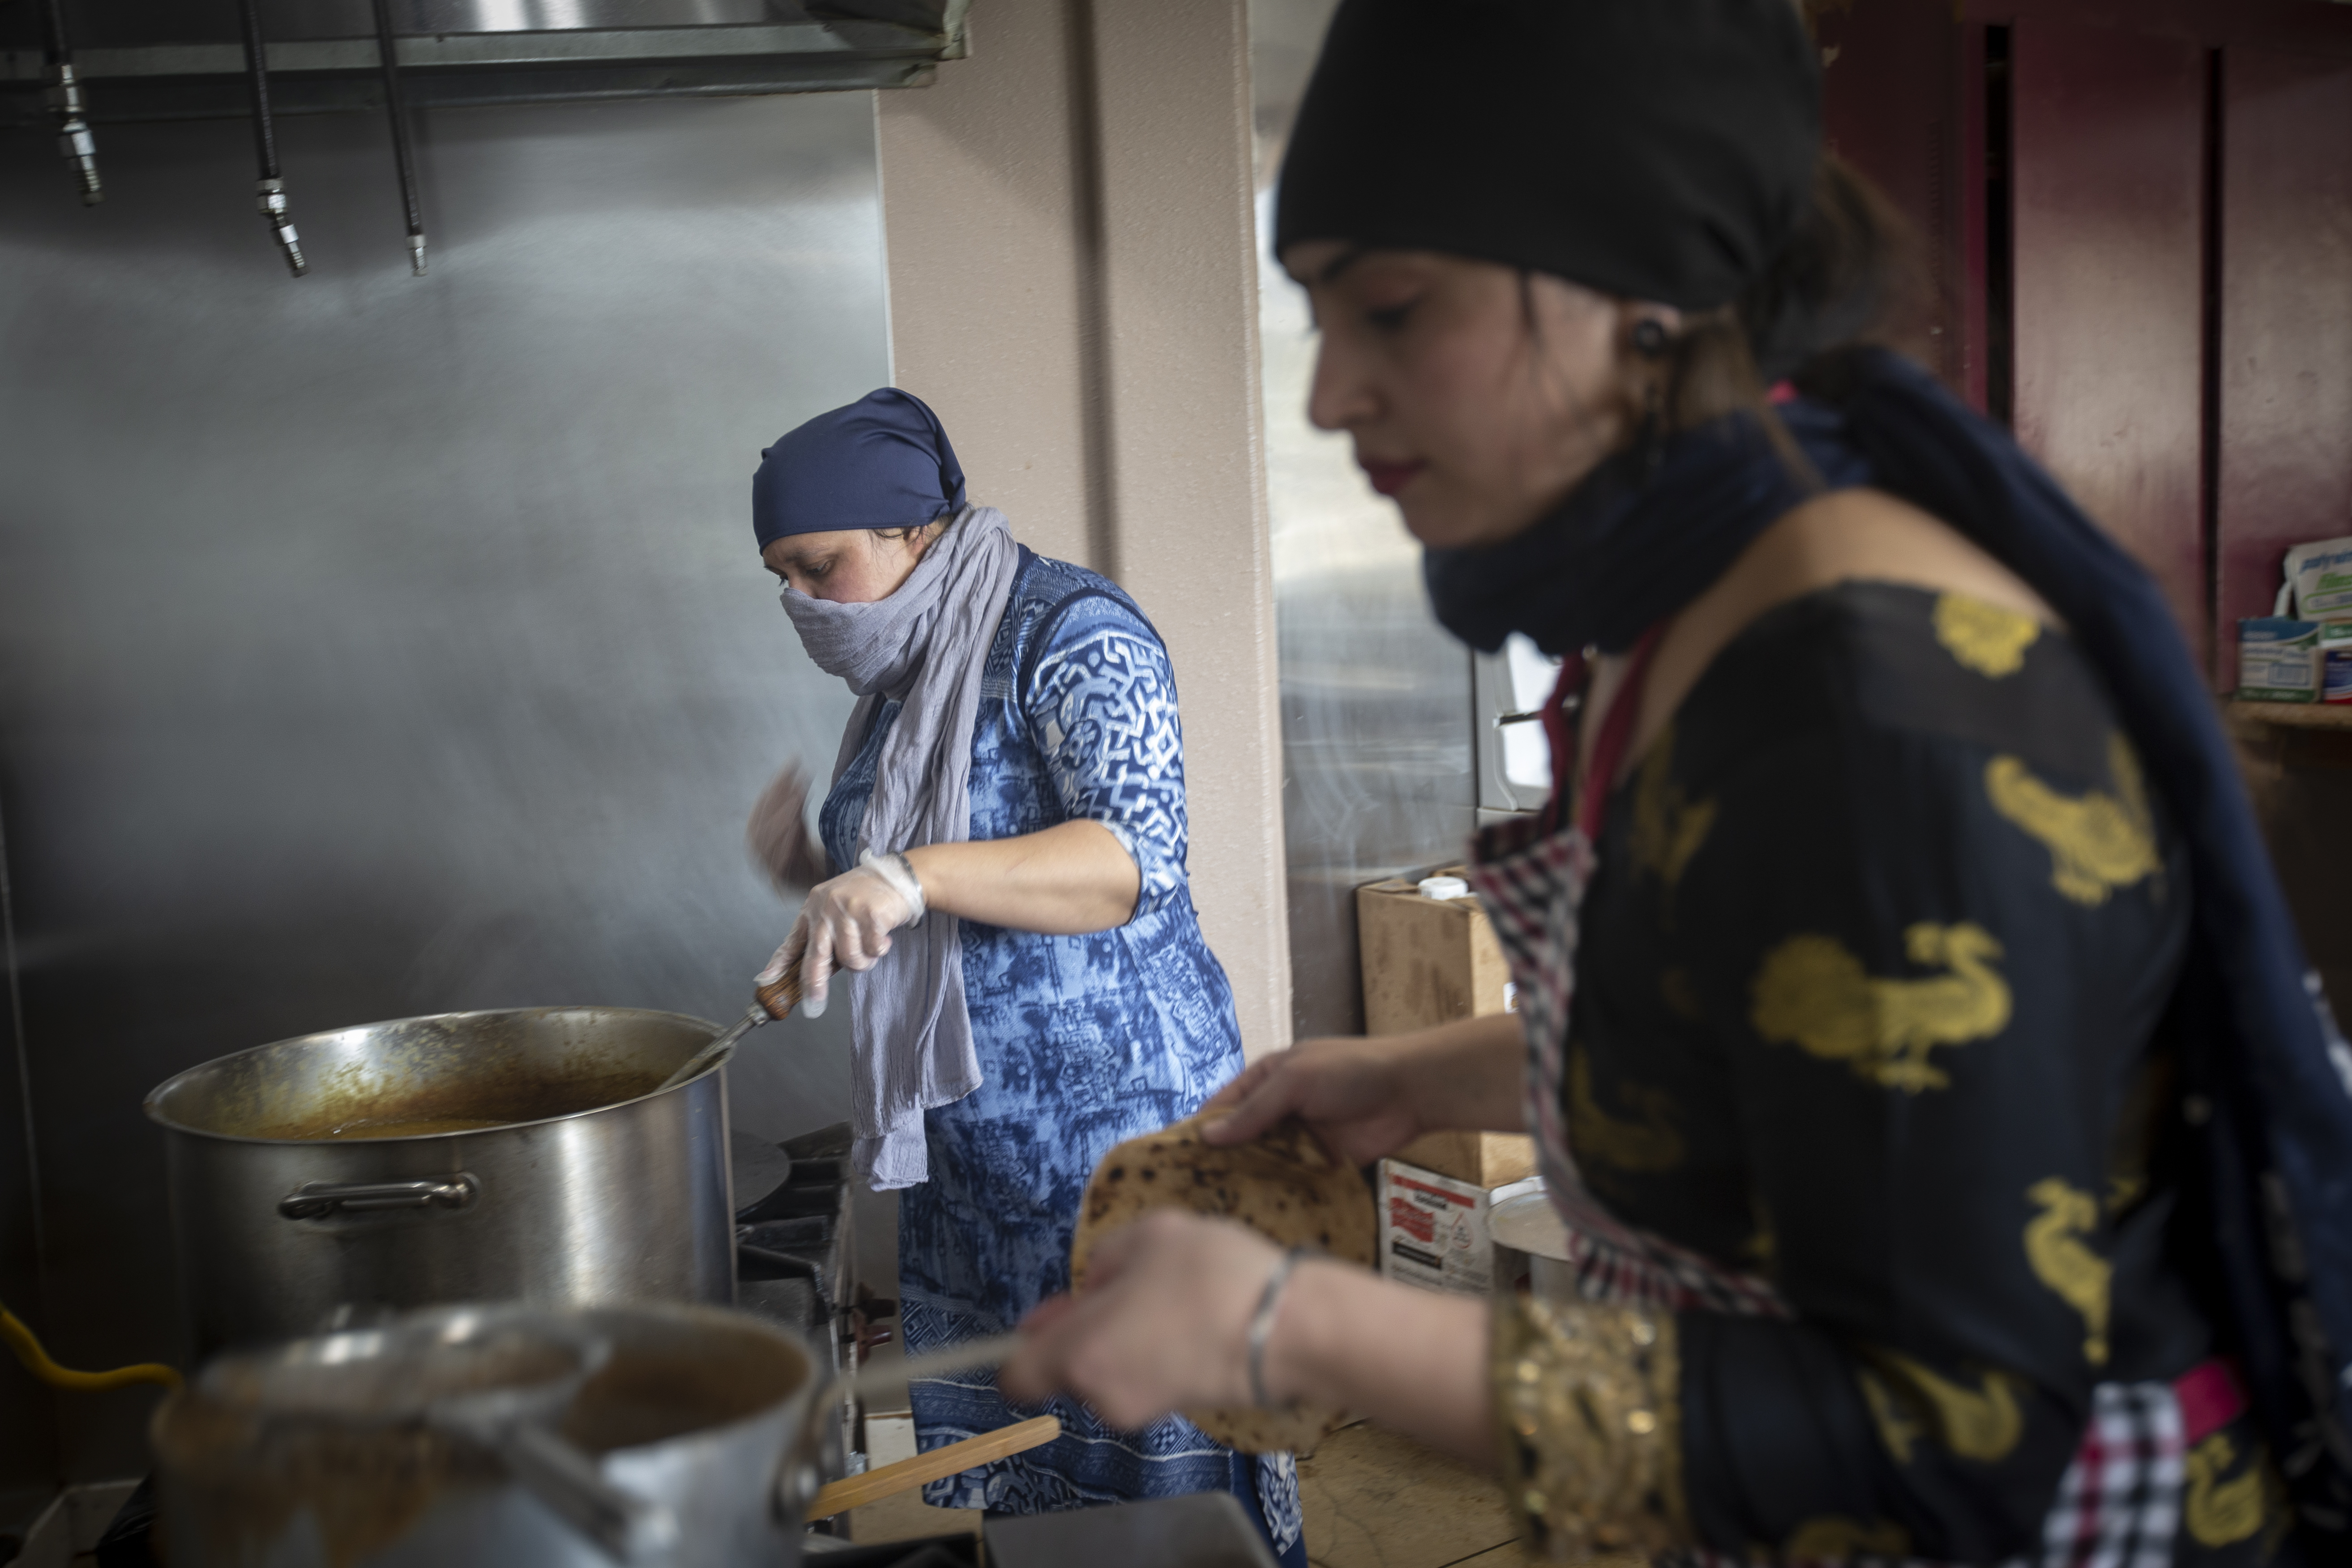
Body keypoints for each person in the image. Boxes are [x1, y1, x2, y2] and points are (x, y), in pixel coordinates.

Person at [1000, 3, 2352, 1564]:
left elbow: (1944, 1445)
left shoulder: (1869, 721)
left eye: (1392, 309)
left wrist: (1300, 1334)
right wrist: (1414, 1079)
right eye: (1324, 320)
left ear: (1635, 294)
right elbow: (1770, 1042)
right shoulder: (1687, 616)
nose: (1331, 397)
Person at [744, 389, 1304, 1562]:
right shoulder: (905, 684)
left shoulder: (1073, 633)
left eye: (819, 564)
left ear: (911, 530)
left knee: (1169, 1480)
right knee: (1036, 1483)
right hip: (982, 1177)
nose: (801, 601)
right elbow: (914, 878)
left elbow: (1129, 862)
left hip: (1120, 1159)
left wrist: (905, 873)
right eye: (780, 577)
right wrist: (815, 864)